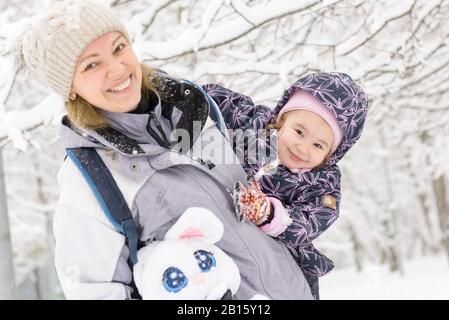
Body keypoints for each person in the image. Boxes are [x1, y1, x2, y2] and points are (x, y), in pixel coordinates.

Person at [15, 0, 313, 299]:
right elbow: (95, 292)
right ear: (70, 87)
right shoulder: (90, 177)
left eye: (119, 48)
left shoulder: (196, 109)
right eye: (92, 64)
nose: (116, 69)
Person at [203, 72, 369, 299]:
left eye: (318, 145)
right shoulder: (255, 125)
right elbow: (213, 98)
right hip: (221, 222)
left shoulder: (322, 182)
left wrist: (272, 216)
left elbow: (314, 218)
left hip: (282, 251)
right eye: (299, 132)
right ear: (281, 119)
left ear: (331, 155)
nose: (303, 147)